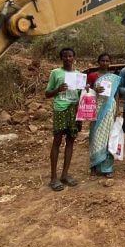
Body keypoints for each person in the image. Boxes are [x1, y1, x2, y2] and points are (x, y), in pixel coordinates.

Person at [44, 47, 82, 191]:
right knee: (57, 141)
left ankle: (65, 175)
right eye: (65, 56)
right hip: (60, 108)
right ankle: (53, 177)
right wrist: (57, 90)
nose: (68, 59)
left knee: (71, 141)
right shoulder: (56, 73)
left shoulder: (79, 75)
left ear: (74, 57)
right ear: (61, 58)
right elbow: (47, 94)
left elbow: (81, 94)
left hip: (74, 110)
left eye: (70, 56)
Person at [87, 52, 121, 177]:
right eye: (103, 60)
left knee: (108, 137)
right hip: (96, 108)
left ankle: (107, 167)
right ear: (98, 62)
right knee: (95, 136)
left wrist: (117, 109)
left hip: (109, 108)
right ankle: (94, 165)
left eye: (107, 61)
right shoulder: (92, 76)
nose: (105, 63)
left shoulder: (113, 77)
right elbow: (85, 91)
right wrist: (93, 90)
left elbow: (117, 94)